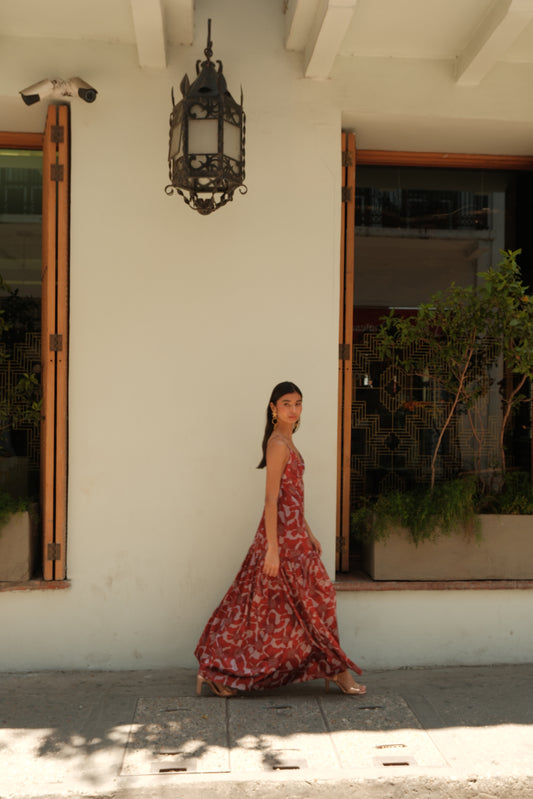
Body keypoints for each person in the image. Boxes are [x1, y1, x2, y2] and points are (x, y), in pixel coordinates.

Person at [195, 381, 365, 698]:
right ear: (273, 408)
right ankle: (216, 669)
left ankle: (333, 669)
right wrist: (272, 550)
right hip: (281, 538)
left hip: (296, 534)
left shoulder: (288, 441)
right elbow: (271, 499)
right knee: (261, 608)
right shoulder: (277, 444)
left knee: (306, 602)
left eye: (298, 403)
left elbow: (292, 496)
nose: (293, 409)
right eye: (286, 403)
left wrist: (309, 532)